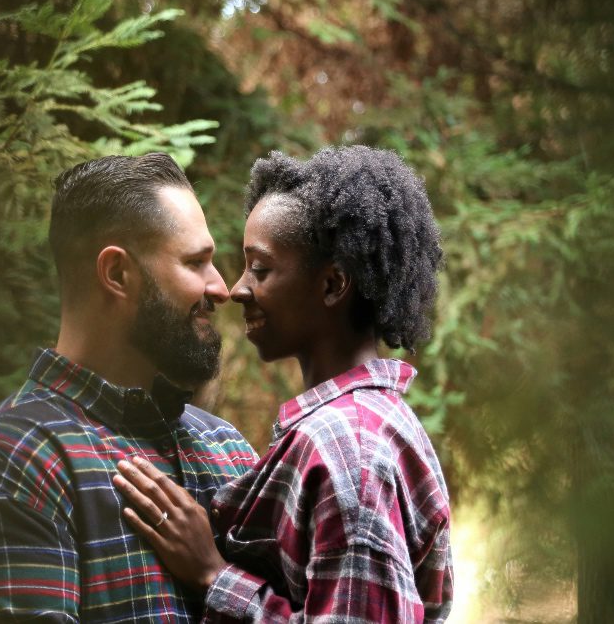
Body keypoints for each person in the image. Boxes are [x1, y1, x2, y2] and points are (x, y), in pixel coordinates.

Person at [113, 146, 454, 622]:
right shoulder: (364, 426)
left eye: (261, 268)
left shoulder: (349, 450)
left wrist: (213, 574)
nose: (236, 289)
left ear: (333, 285)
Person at [0, 153, 259, 623]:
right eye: (196, 262)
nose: (221, 287)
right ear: (118, 274)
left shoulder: (227, 449)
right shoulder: (10, 464)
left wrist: (216, 575)